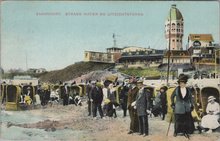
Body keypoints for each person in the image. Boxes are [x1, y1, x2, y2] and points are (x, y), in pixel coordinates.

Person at [171, 74, 195, 138]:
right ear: (179, 83)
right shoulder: (176, 89)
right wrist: (172, 104)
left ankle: (185, 132)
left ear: (185, 83)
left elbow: (191, 98)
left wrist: (192, 105)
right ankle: (176, 132)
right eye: (181, 83)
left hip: (186, 108)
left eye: (183, 83)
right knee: (177, 121)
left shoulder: (188, 90)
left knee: (186, 121)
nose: (182, 84)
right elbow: (172, 96)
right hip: (178, 108)